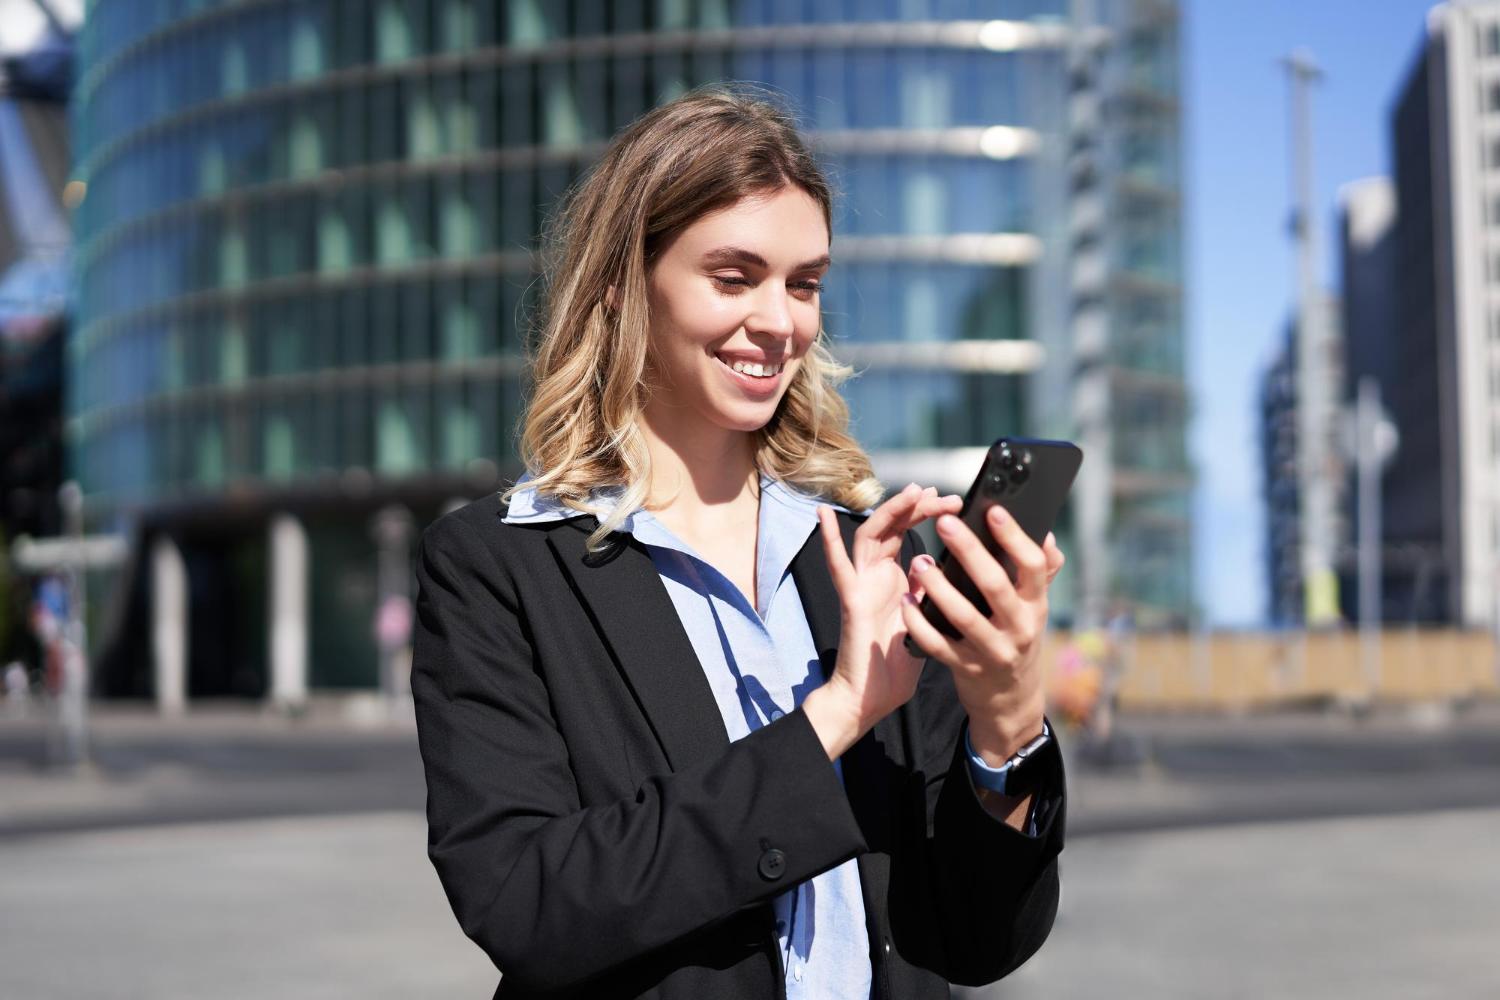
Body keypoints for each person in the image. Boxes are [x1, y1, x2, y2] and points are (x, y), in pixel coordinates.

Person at [411, 85, 1068, 1000]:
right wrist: (835, 717)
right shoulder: (498, 567)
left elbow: (975, 940)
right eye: (734, 277)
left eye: (804, 284)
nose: (781, 320)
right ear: (621, 288)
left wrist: (1007, 721)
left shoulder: (865, 561)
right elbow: (528, 905)